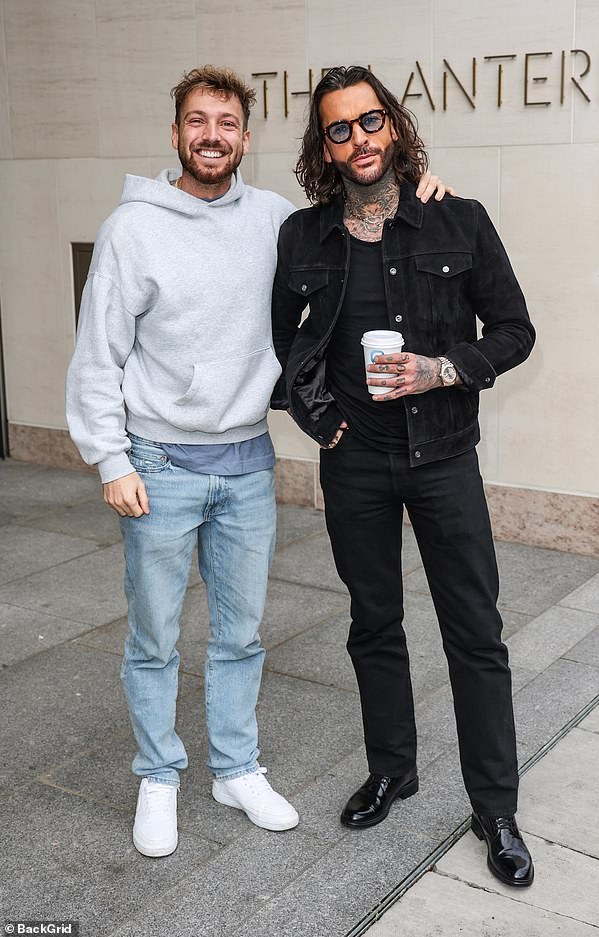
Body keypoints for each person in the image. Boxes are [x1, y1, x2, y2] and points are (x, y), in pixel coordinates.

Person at [66, 65, 449, 859]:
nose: (213, 135)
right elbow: (97, 355)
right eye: (198, 121)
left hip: (245, 461)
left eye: (228, 123)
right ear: (176, 133)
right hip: (158, 459)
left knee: (241, 635)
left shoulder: (276, 220)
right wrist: (111, 458)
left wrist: (420, 189)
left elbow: (366, 212)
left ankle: (235, 767)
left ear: (247, 136)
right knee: (154, 637)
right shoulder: (131, 229)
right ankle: (160, 775)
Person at [271, 66, 536, 889]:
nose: (359, 140)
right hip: (354, 463)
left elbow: (516, 330)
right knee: (373, 621)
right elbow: (286, 343)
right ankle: (394, 769)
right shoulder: (303, 237)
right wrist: (322, 419)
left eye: (370, 121)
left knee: (475, 632)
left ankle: (495, 806)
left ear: (395, 125)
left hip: (445, 456)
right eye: (339, 129)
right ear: (323, 145)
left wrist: (443, 370)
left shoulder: (458, 220)